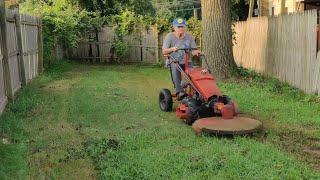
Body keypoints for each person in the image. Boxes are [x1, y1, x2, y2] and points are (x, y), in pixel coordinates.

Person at [162, 18, 202, 100]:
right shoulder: (169, 36)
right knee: (176, 70)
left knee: (194, 73)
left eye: (183, 26)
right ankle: (179, 92)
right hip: (173, 61)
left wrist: (196, 52)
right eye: (179, 27)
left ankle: (197, 91)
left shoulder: (189, 37)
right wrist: (172, 49)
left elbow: (193, 49)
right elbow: (164, 52)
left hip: (187, 61)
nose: (181, 29)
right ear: (174, 27)